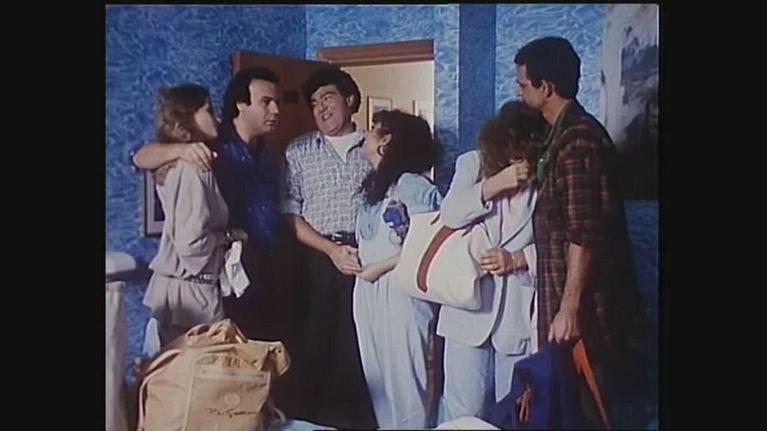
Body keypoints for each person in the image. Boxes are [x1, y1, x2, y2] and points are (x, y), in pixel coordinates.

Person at [513, 36, 645, 424]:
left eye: (523, 84)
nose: (519, 92)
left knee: (588, 409)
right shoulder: (558, 137)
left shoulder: (578, 141)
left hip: (588, 312)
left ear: (546, 87)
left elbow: (583, 232)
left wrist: (568, 307)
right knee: (565, 407)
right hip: (564, 302)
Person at [132, 67, 282, 340]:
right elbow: (139, 156)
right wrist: (182, 149)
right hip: (215, 277)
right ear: (241, 104)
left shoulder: (266, 153)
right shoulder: (207, 149)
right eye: (266, 102)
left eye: (277, 102)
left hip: (258, 272)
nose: (276, 110)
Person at [438, 101, 548, 420]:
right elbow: (450, 214)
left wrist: (519, 259)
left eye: (526, 152)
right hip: (467, 309)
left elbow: (559, 244)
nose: (519, 160)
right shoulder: (472, 164)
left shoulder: (546, 175)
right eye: (512, 151)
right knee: (463, 413)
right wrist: (496, 183)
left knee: (511, 412)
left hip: (518, 313)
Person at [281, 65, 376, 429]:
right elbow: (289, 213)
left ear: (350, 100)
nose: (321, 107)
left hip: (366, 256)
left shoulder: (374, 147)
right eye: (314, 102)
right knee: (314, 342)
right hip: (316, 257)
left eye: (328, 98)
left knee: (358, 345)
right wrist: (330, 251)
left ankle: (358, 422)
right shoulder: (298, 151)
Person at [353, 110, 442, 429]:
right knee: (378, 378)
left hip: (401, 289)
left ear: (387, 141)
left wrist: (380, 267)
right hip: (369, 290)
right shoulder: (374, 187)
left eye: (373, 128)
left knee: (405, 379)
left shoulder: (412, 185)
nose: (365, 133)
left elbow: (429, 242)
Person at [141, 84, 246, 347]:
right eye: (208, 111)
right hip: (190, 297)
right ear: (187, 118)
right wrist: (228, 236)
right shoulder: (194, 168)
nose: (217, 118)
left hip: (181, 292)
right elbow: (191, 244)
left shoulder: (179, 162)